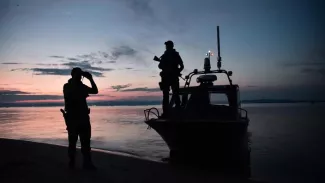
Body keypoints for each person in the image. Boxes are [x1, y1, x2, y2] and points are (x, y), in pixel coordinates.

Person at [63, 67, 98, 170]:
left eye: (80, 75)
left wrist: (90, 79)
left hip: (83, 119)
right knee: (72, 142)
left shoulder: (81, 86)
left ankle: (87, 163)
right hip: (73, 119)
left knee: (86, 142)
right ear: (73, 75)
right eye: (78, 74)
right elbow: (73, 94)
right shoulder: (67, 86)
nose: (79, 76)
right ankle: (72, 162)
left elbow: (95, 91)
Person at [158, 40, 184, 118]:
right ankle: (167, 113)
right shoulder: (165, 55)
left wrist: (176, 72)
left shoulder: (175, 55)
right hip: (166, 78)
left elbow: (182, 66)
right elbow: (160, 66)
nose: (166, 47)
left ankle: (177, 112)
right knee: (167, 96)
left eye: (167, 45)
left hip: (171, 78)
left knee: (175, 94)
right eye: (166, 45)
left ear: (171, 46)